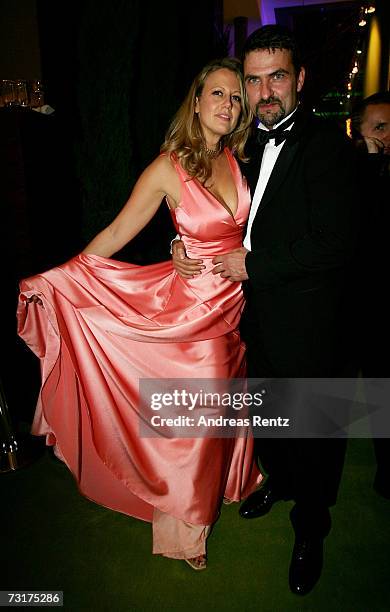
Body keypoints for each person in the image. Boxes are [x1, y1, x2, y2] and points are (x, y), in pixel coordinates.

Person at [17, 58, 262, 571]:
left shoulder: (243, 158)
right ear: (195, 103)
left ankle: (234, 479)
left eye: (235, 97)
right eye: (217, 94)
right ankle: (186, 525)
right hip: (192, 312)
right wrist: (62, 276)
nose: (228, 104)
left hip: (235, 304)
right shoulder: (167, 167)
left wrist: (188, 240)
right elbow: (115, 233)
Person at [173, 25, 359, 594]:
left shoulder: (329, 145)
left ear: (299, 78)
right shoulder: (241, 147)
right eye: (251, 81)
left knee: (317, 430)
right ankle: (278, 480)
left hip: (311, 321)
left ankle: (312, 528)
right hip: (251, 317)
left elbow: (336, 241)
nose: (263, 91)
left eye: (276, 76)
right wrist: (180, 242)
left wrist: (256, 266)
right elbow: (212, 211)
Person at [350, 91, 390, 499]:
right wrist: (373, 162)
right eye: (379, 127)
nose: (388, 135)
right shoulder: (351, 173)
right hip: (361, 305)